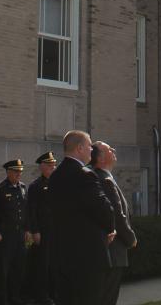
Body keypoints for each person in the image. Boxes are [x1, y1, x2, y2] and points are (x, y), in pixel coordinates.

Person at [48, 130, 116, 305]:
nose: (91, 151)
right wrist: (110, 228)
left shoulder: (54, 176)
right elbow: (104, 209)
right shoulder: (85, 174)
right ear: (79, 148)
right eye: (88, 146)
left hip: (62, 255)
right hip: (88, 257)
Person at [90, 142, 138, 305]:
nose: (114, 151)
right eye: (109, 149)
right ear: (100, 158)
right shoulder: (103, 180)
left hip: (108, 250)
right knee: (107, 298)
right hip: (112, 251)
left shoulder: (103, 177)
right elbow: (117, 215)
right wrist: (130, 238)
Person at [0, 159, 30, 305]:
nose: (18, 174)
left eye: (20, 171)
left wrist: (27, 229)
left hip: (19, 234)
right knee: (3, 270)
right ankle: (2, 299)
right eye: (16, 171)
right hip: (6, 234)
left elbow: (24, 209)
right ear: (8, 172)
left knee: (18, 267)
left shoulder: (22, 187)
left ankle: (15, 297)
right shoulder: (0, 189)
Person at [27, 150, 58, 305]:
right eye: (50, 166)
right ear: (42, 167)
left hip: (55, 231)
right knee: (43, 265)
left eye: (54, 165)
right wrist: (35, 231)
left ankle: (53, 293)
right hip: (43, 231)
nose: (53, 168)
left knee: (54, 264)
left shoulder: (57, 184)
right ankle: (42, 296)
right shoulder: (35, 186)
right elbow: (31, 211)